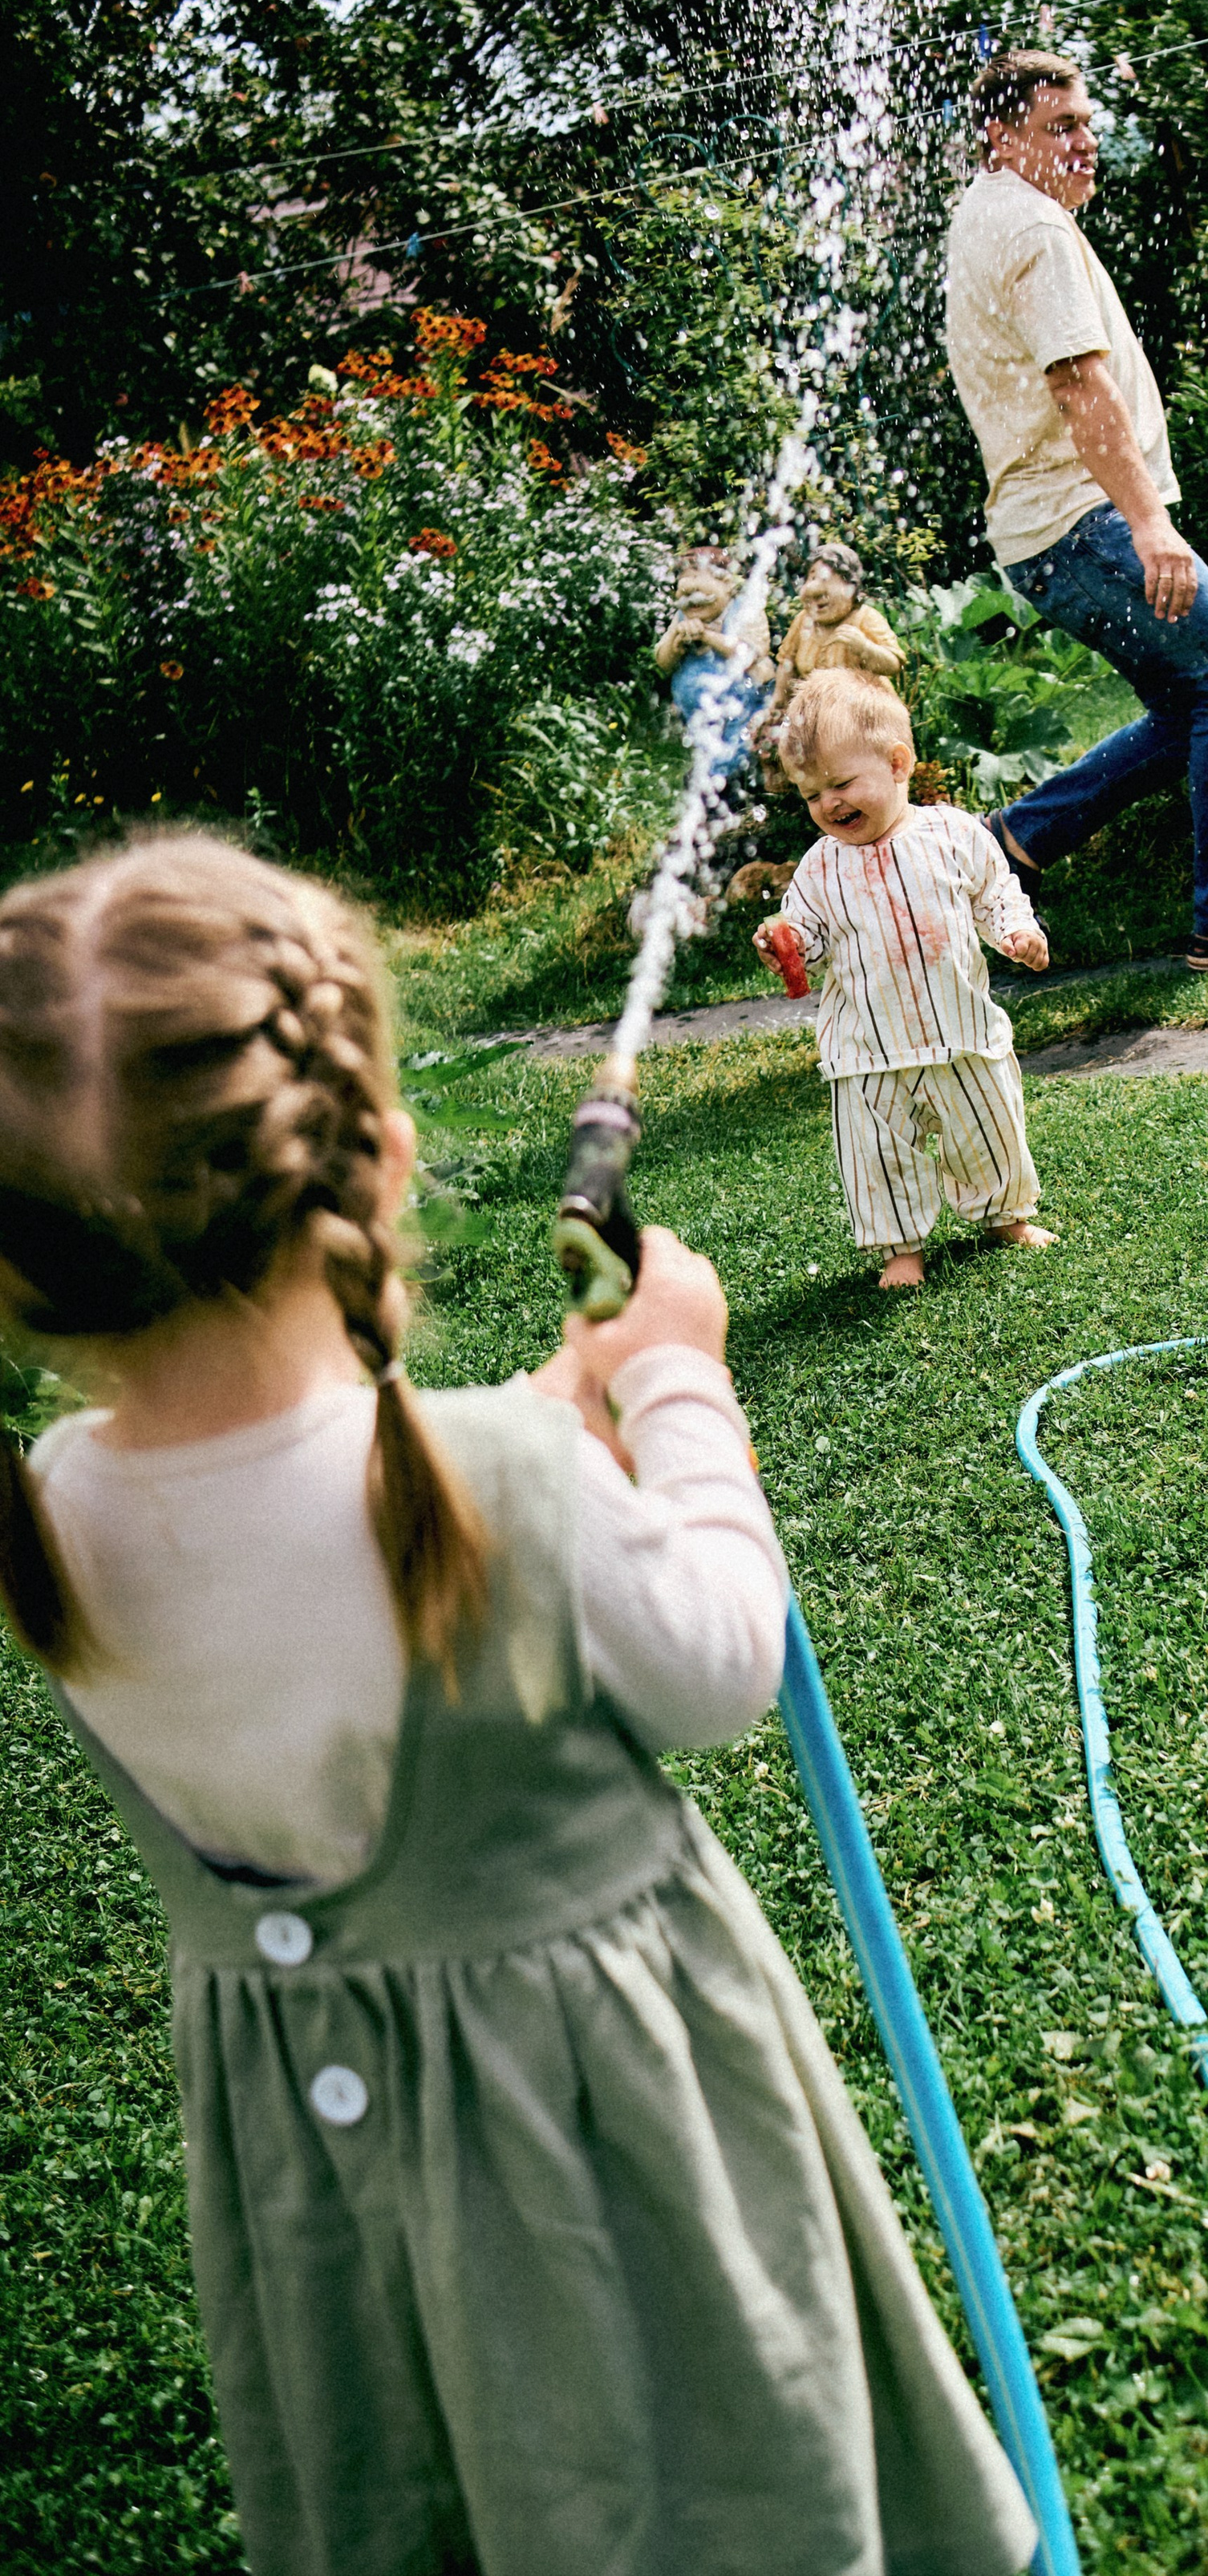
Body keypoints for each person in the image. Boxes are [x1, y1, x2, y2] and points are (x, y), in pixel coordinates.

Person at [0, 833, 1036, 2576]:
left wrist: (561, 1413)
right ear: (380, 1162)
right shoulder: (488, 1482)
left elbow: (324, 1498)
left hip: (325, 2188)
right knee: (701, 2465)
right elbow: (718, 1656)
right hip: (604, 2136)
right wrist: (682, 1380)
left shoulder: (62, 1509)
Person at [943, 47, 1208, 974]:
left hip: (1043, 530)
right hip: (1084, 522)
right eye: (1060, 128)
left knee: (1193, 704)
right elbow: (1081, 388)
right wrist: (1151, 523)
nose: (1085, 144)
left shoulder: (983, 214)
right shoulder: (1034, 231)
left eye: (1086, 124)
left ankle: (1007, 846)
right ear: (1003, 138)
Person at [752, 671, 1054, 1291]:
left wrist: (1018, 934)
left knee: (990, 1129)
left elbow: (995, 892)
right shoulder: (820, 867)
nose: (827, 805)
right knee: (877, 1157)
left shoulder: (952, 835)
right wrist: (786, 944)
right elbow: (807, 934)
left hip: (960, 1032)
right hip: (866, 1051)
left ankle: (1005, 1217)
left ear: (897, 763)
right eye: (811, 795)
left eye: (840, 783)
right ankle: (901, 1251)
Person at [761, 543, 906, 792]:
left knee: (856, 764)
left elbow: (893, 664)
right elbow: (787, 662)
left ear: (850, 585)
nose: (816, 589)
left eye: (826, 578)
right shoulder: (803, 622)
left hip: (862, 716)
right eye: (812, 577)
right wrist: (778, 700)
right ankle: (798, 801)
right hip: (816, 714)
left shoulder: (865, 618)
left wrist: (864, 647)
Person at [655, 540, 773, 784]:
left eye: (698, 574)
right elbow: (663, 662)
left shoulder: (744, 610)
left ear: (726, 584)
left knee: (738, 749)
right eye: (685, 580)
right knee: (708, 752)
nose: (689, 591)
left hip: (743, 707)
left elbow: (749, 654)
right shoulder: (681, 617)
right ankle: (712, 784)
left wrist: (706, 636)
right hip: (700, 713)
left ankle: (738, 783)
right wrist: (677, 638)